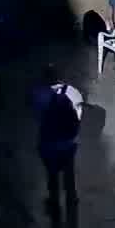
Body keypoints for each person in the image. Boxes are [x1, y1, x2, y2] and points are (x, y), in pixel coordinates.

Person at [31, 66, 84, 218]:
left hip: (48, 144)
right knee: (69, 173)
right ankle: (71, 200)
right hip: (68, 143)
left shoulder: (38, 94)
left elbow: (37, 116)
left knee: (52, 175)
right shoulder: (72, 92)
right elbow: (78, 116)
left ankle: (54, 202)